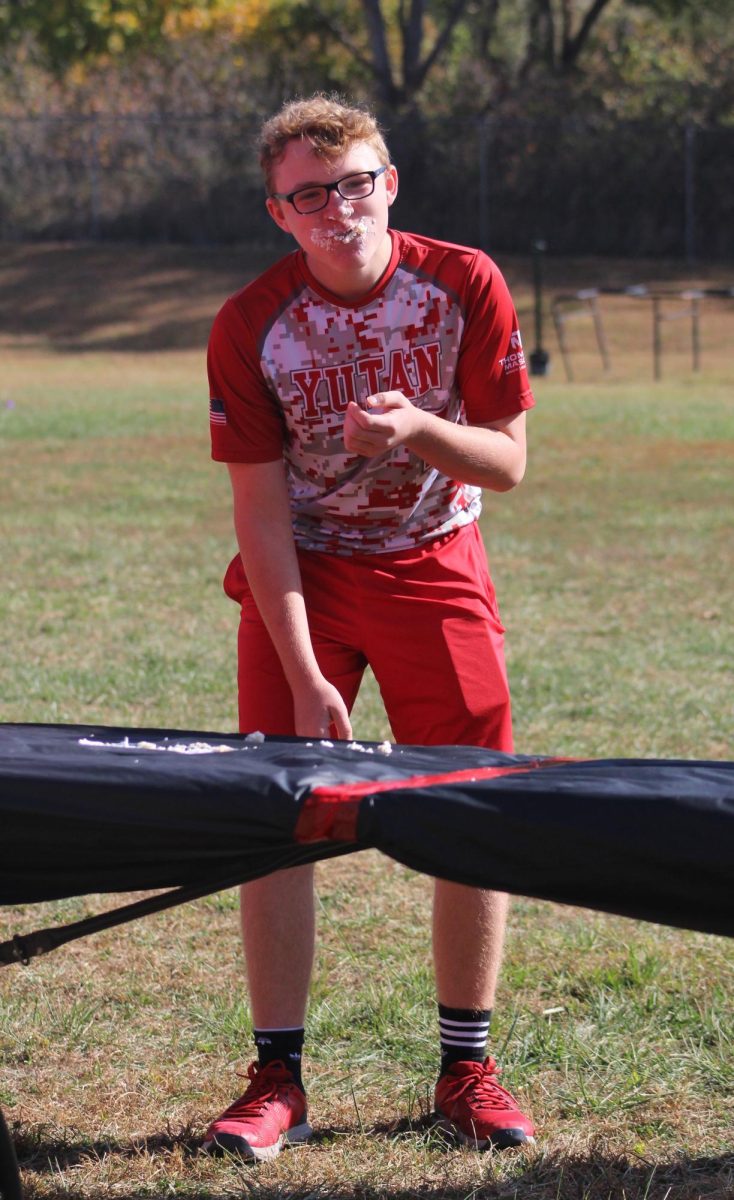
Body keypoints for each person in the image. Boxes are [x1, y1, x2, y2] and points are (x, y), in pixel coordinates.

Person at [203, 93, 536, 1162]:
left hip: (432, 561)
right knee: (277, 813)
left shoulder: (462, 282)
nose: (336, 208)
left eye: (353, 182)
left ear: (387, 182)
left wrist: (421, 429)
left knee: (472, 810)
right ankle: (276, 1077)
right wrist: (303, 674)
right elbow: (257, 513)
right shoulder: (252, 323)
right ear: (279, 214)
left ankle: (464, 1068)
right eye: (309, 195)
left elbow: (510, 461)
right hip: (301, 572)